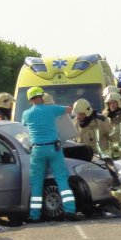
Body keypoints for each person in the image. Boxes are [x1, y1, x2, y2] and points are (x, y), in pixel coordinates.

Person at [22, 86, 83, 222]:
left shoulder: (26, 114)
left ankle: (35, 215)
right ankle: (70, 211)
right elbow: (68, 109)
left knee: (36, 182)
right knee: (61, 179)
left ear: (30, 99)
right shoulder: (51, 109)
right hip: (53, 148)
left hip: (37, 150)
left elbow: (24, 126)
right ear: (41, 97)